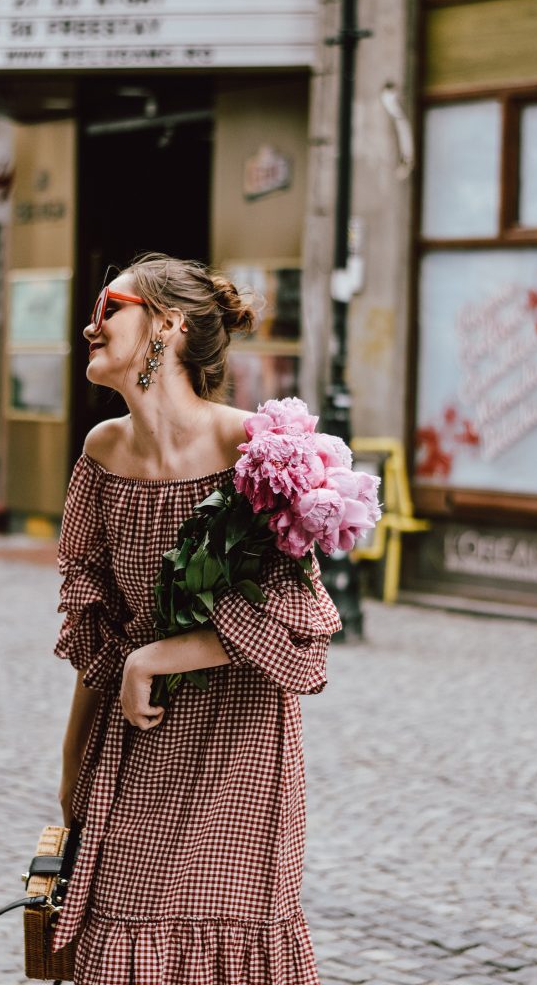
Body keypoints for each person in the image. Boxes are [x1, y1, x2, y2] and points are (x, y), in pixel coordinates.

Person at [52, 252, 342, 984]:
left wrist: (152, 659)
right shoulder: (101, 452)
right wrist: (71, 765)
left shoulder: (256, 450)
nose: (91, 326)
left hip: (240, 746)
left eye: (108, 307)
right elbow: (100, 629)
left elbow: (296, 624)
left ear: (168, 326)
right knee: (119, 930)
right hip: (136, 745)